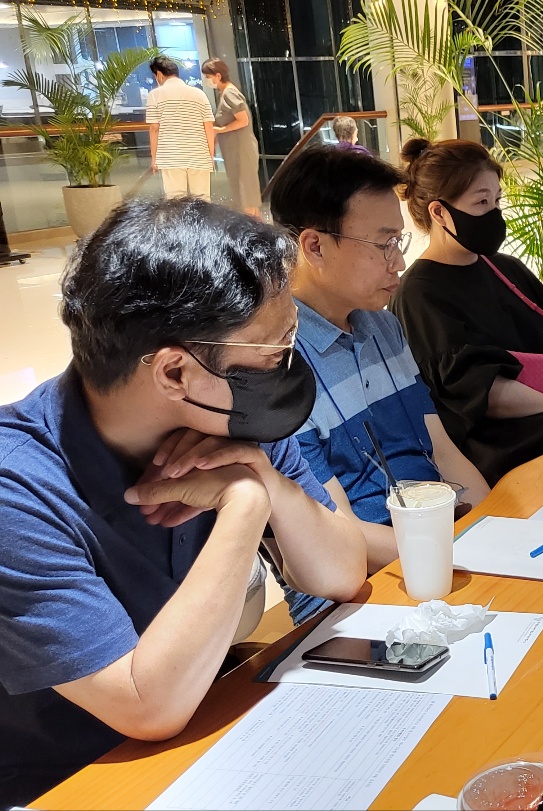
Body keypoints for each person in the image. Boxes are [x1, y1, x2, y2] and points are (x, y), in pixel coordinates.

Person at [0, 198, 367, 805]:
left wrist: (266, 482)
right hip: (70, 782)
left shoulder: (228, 416)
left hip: (213, 733)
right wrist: (246, 503)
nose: (286, 366)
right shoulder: (19, 490)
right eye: (274, 349)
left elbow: (342, 572)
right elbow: (148, 707)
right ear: (175, 372)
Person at [268, 146, 489, 624]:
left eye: (399, 242)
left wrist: (495, 529)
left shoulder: (383, 327)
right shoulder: (274, 365)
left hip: (440, 552)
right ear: (315, 246)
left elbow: (442, 450)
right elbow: (341, 537)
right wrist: (463, 554)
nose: (399, 263)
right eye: (384, 244)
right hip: (357, 595)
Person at [393, 139, 543, 483]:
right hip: (502, 441)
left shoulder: (506, 269)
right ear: (439, 212)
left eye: (497, 200)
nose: (494, 213)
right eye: (481, 202)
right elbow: (478, 391)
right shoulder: (419, 294)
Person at [146, 56, 214, 200]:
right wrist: (210, 155)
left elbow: (154, 128)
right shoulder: (199, 94)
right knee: (202, 201)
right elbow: (208, 126)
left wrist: (154, 158)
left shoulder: (155, 95)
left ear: (159, 75)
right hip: (199, 154)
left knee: (175, 201)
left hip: (171, 155)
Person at [200, 59, 262, 217]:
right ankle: (258, 229)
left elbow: (243, 120)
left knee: (246, 196)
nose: (207, 80)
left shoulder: (230, 93)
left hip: (241, 151)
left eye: (208, 77)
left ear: (218, 75)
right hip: (236, 151)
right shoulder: (224, 93)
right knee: (245, 197)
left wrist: (221, 130)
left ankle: (252, 229)